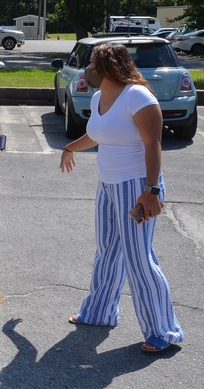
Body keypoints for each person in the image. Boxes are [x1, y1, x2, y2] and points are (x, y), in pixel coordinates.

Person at [60, 42, 183, 354]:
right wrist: (71, 147)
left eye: (90, 62)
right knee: (108, 251)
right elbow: (98, 135)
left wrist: (151, 191)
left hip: (137, 185)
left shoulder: (138, 96)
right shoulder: (101, 96)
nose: (85, 68)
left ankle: (163, 331)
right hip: (108, 184)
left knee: (139, 258)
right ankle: (99, 313)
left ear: (105, 67)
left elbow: (153, 143)